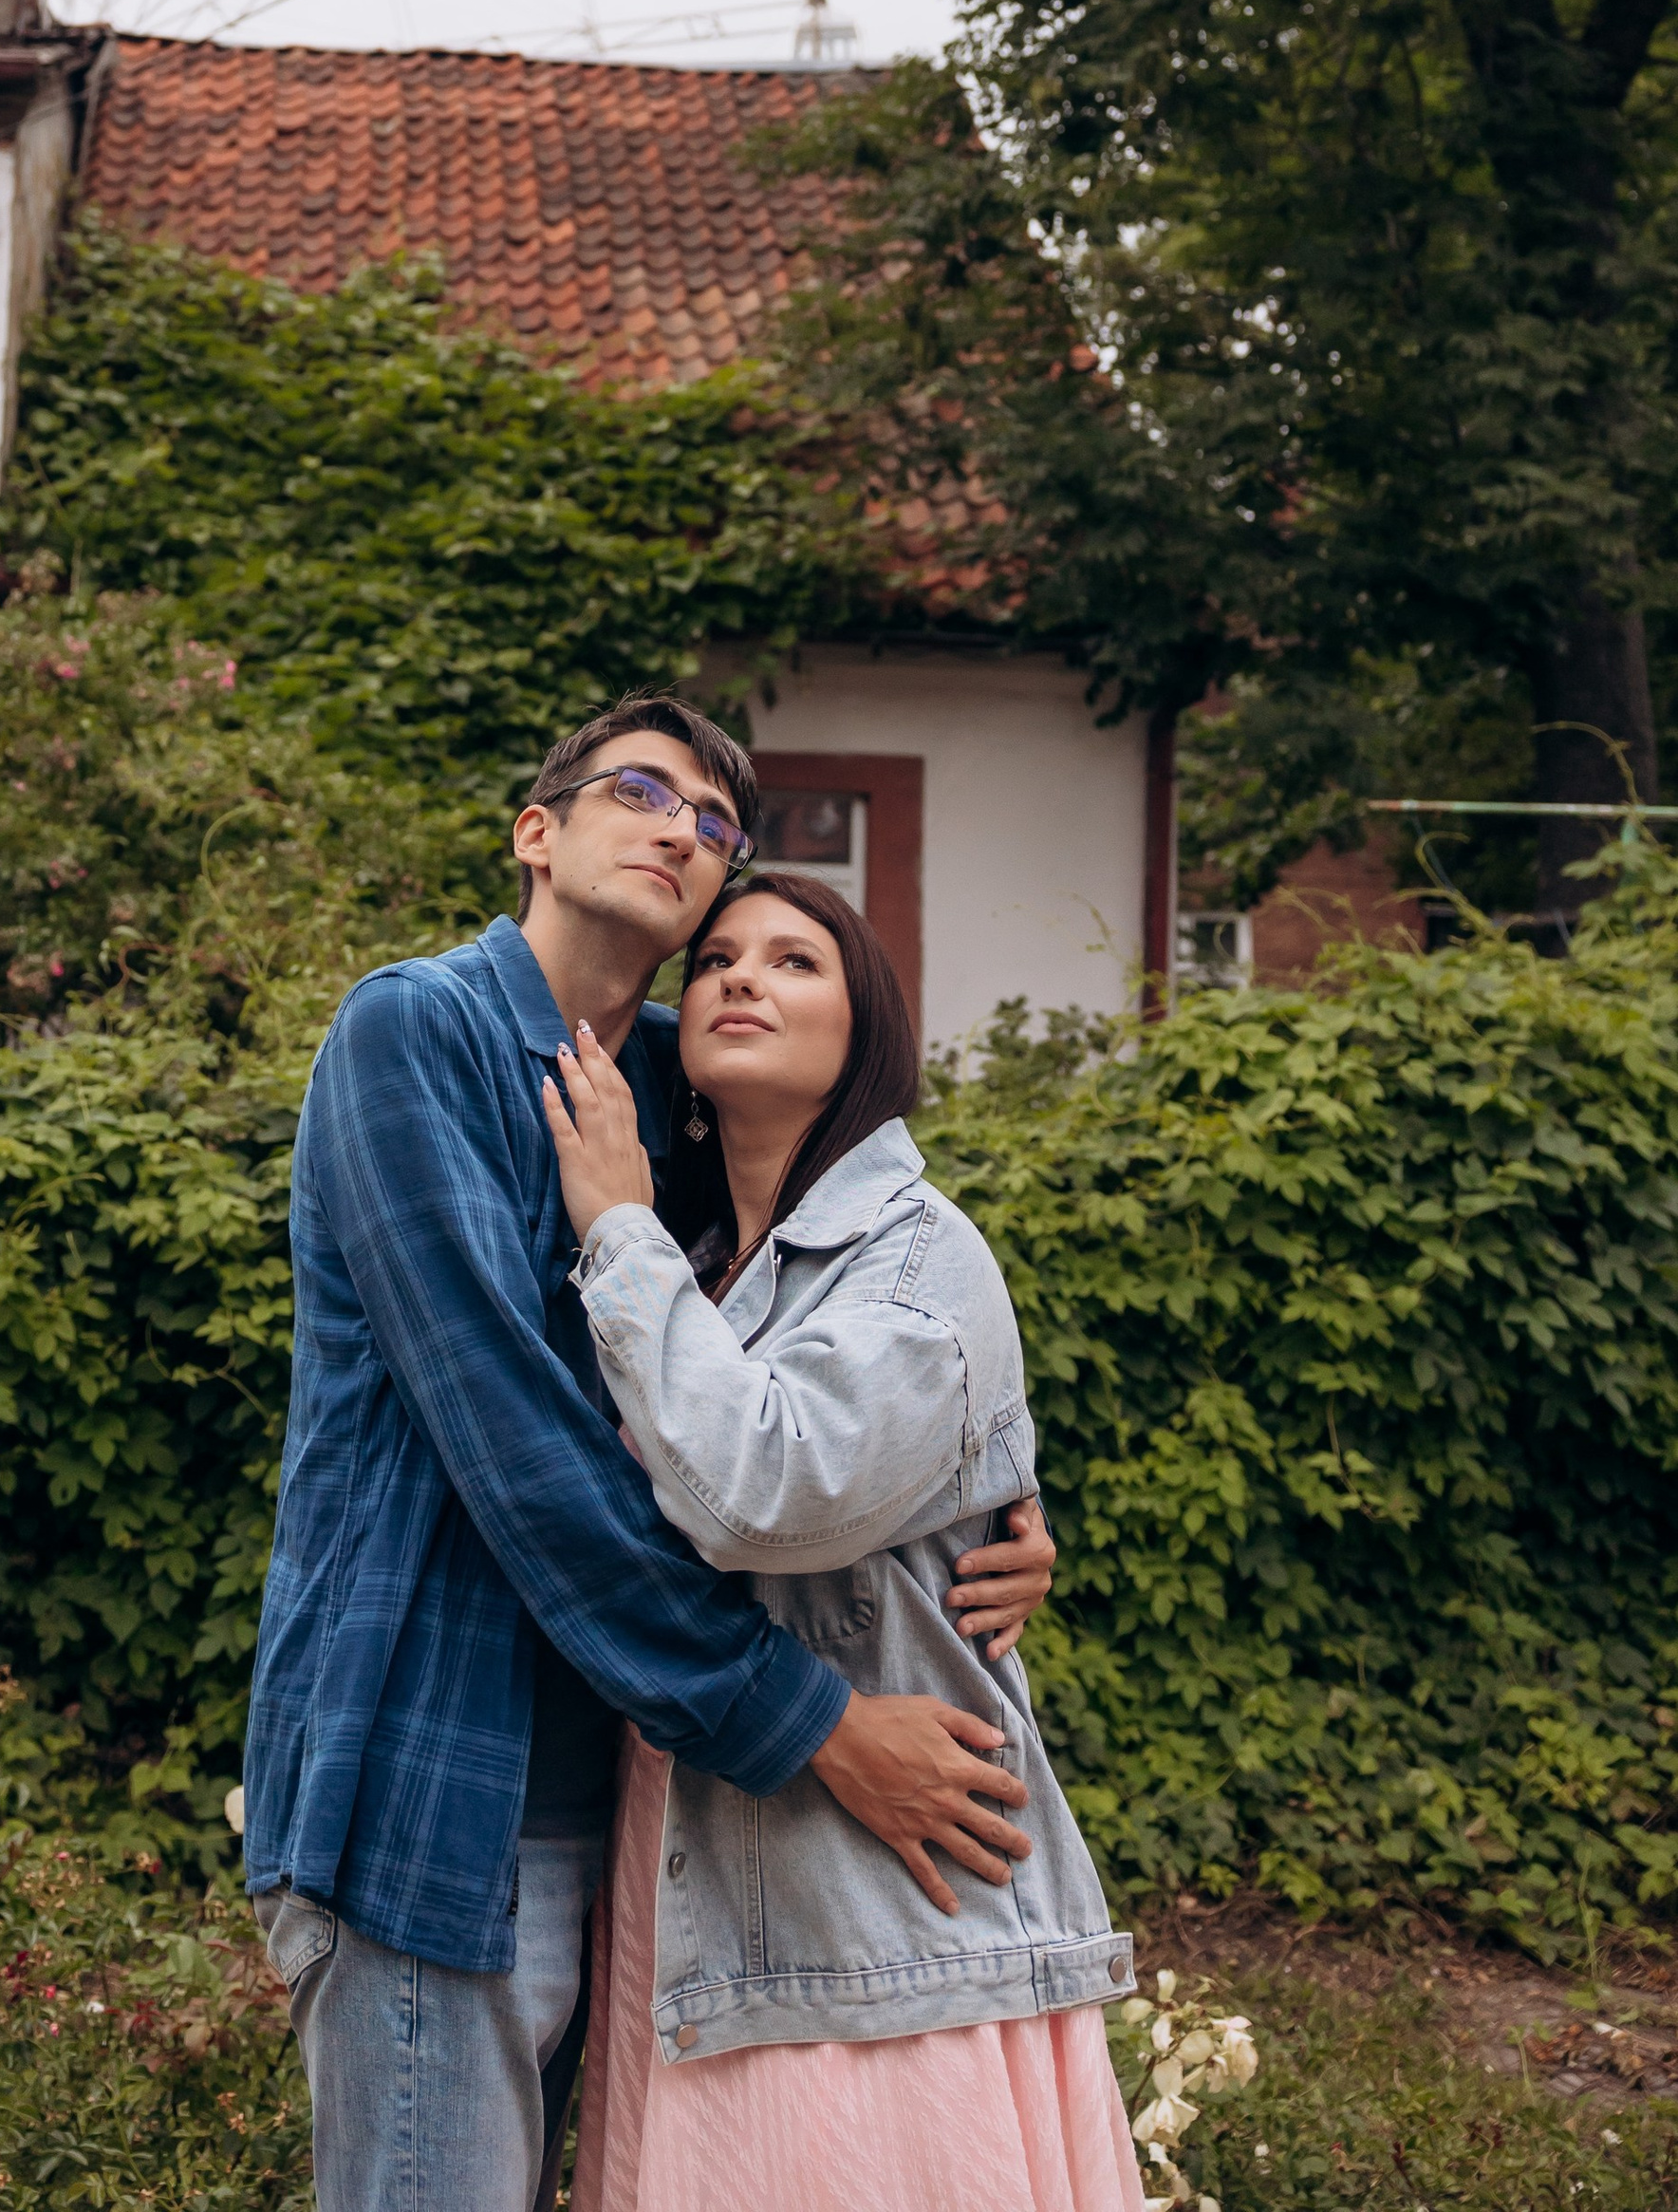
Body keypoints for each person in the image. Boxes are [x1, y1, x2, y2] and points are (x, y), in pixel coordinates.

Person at [242, 697, 1063, 2212]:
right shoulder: (415, 1035)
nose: (683, 828)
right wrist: (813, 1722)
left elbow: (829, 1313)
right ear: (537, 833)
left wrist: (990, 1499)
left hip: (638, 1813)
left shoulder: (696, 1087)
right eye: (643, 791)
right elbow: (522, 1452)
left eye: (716, 821)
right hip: (436, 1788)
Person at [543, 866, 1143, 2212]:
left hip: (868, 1912)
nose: (740, 977)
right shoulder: (700, 1269)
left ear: (864, 1035)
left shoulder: (916, 1256)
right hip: (694, 1865)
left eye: (794, 961)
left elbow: (763, 1488)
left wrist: (616, 1226)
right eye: (715, 961)